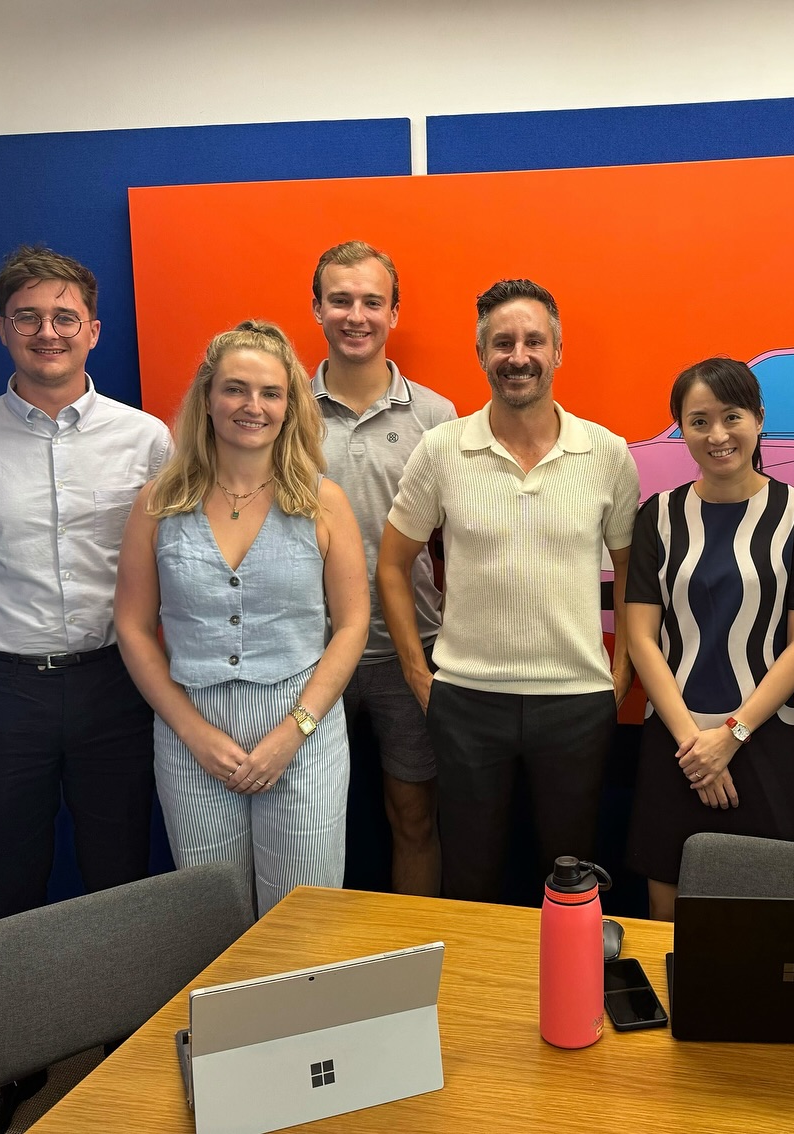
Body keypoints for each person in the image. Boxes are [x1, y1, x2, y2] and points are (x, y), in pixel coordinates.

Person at [0, 244, 172, 1134]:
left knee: (119, 877)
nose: (47, 332)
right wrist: (5, 651)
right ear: (3, 329)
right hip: (1, 694)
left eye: (65, 316)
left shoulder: (147, 439)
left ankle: (120, 1051)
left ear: (93, 329)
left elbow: (164, 565)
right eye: (28, 316)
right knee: (7, 882)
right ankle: (12, 1066)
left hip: (115, 689)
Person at [378, 279, 639, 903]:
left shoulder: (606, 453)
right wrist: (419, 675)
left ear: (557, 351)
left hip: (575, 702)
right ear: (481, 354)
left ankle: (569, 974)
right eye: (502, 343)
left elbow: (632, 575)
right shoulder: (443, 449)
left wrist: (620, 674)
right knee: (470, 880)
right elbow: (391, 565)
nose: (517, 356)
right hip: (467, 701)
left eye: (532, 341)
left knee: (572, 881)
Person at [115, 320, 369, 916]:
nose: (252, 406)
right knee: (212, 915)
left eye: (270, 393)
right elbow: (132, 626)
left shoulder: (323, 502)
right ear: (207, 399)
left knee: (303, 917)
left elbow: (352, 625)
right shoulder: (158, 503)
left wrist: (294, 731)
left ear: (289, 407)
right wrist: (194, 734)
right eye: (235, 389)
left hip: (302, 729)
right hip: (192, 732)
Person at [625, 358, 794, 920]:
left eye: (731, 416)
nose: (717, 435)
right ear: (682, 429)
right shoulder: (658, 516)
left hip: (763, 736)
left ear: (758, 419)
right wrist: (695, 746)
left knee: (769, 913)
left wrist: (731, 736)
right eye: (699, 421)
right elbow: (641, 638)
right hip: (675, 739)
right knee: (667, 906)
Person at [310, 240, 457, 896]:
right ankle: (309, 951)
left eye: (372, 301)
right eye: (340, 300)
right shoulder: (282, 410)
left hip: (411, 653)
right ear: (317, 309)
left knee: (415, 817)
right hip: (308, 654)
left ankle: (413, 950)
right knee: (308, 822)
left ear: (394, 313)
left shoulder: (436, 416)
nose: (356, 315)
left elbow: (457, 545)